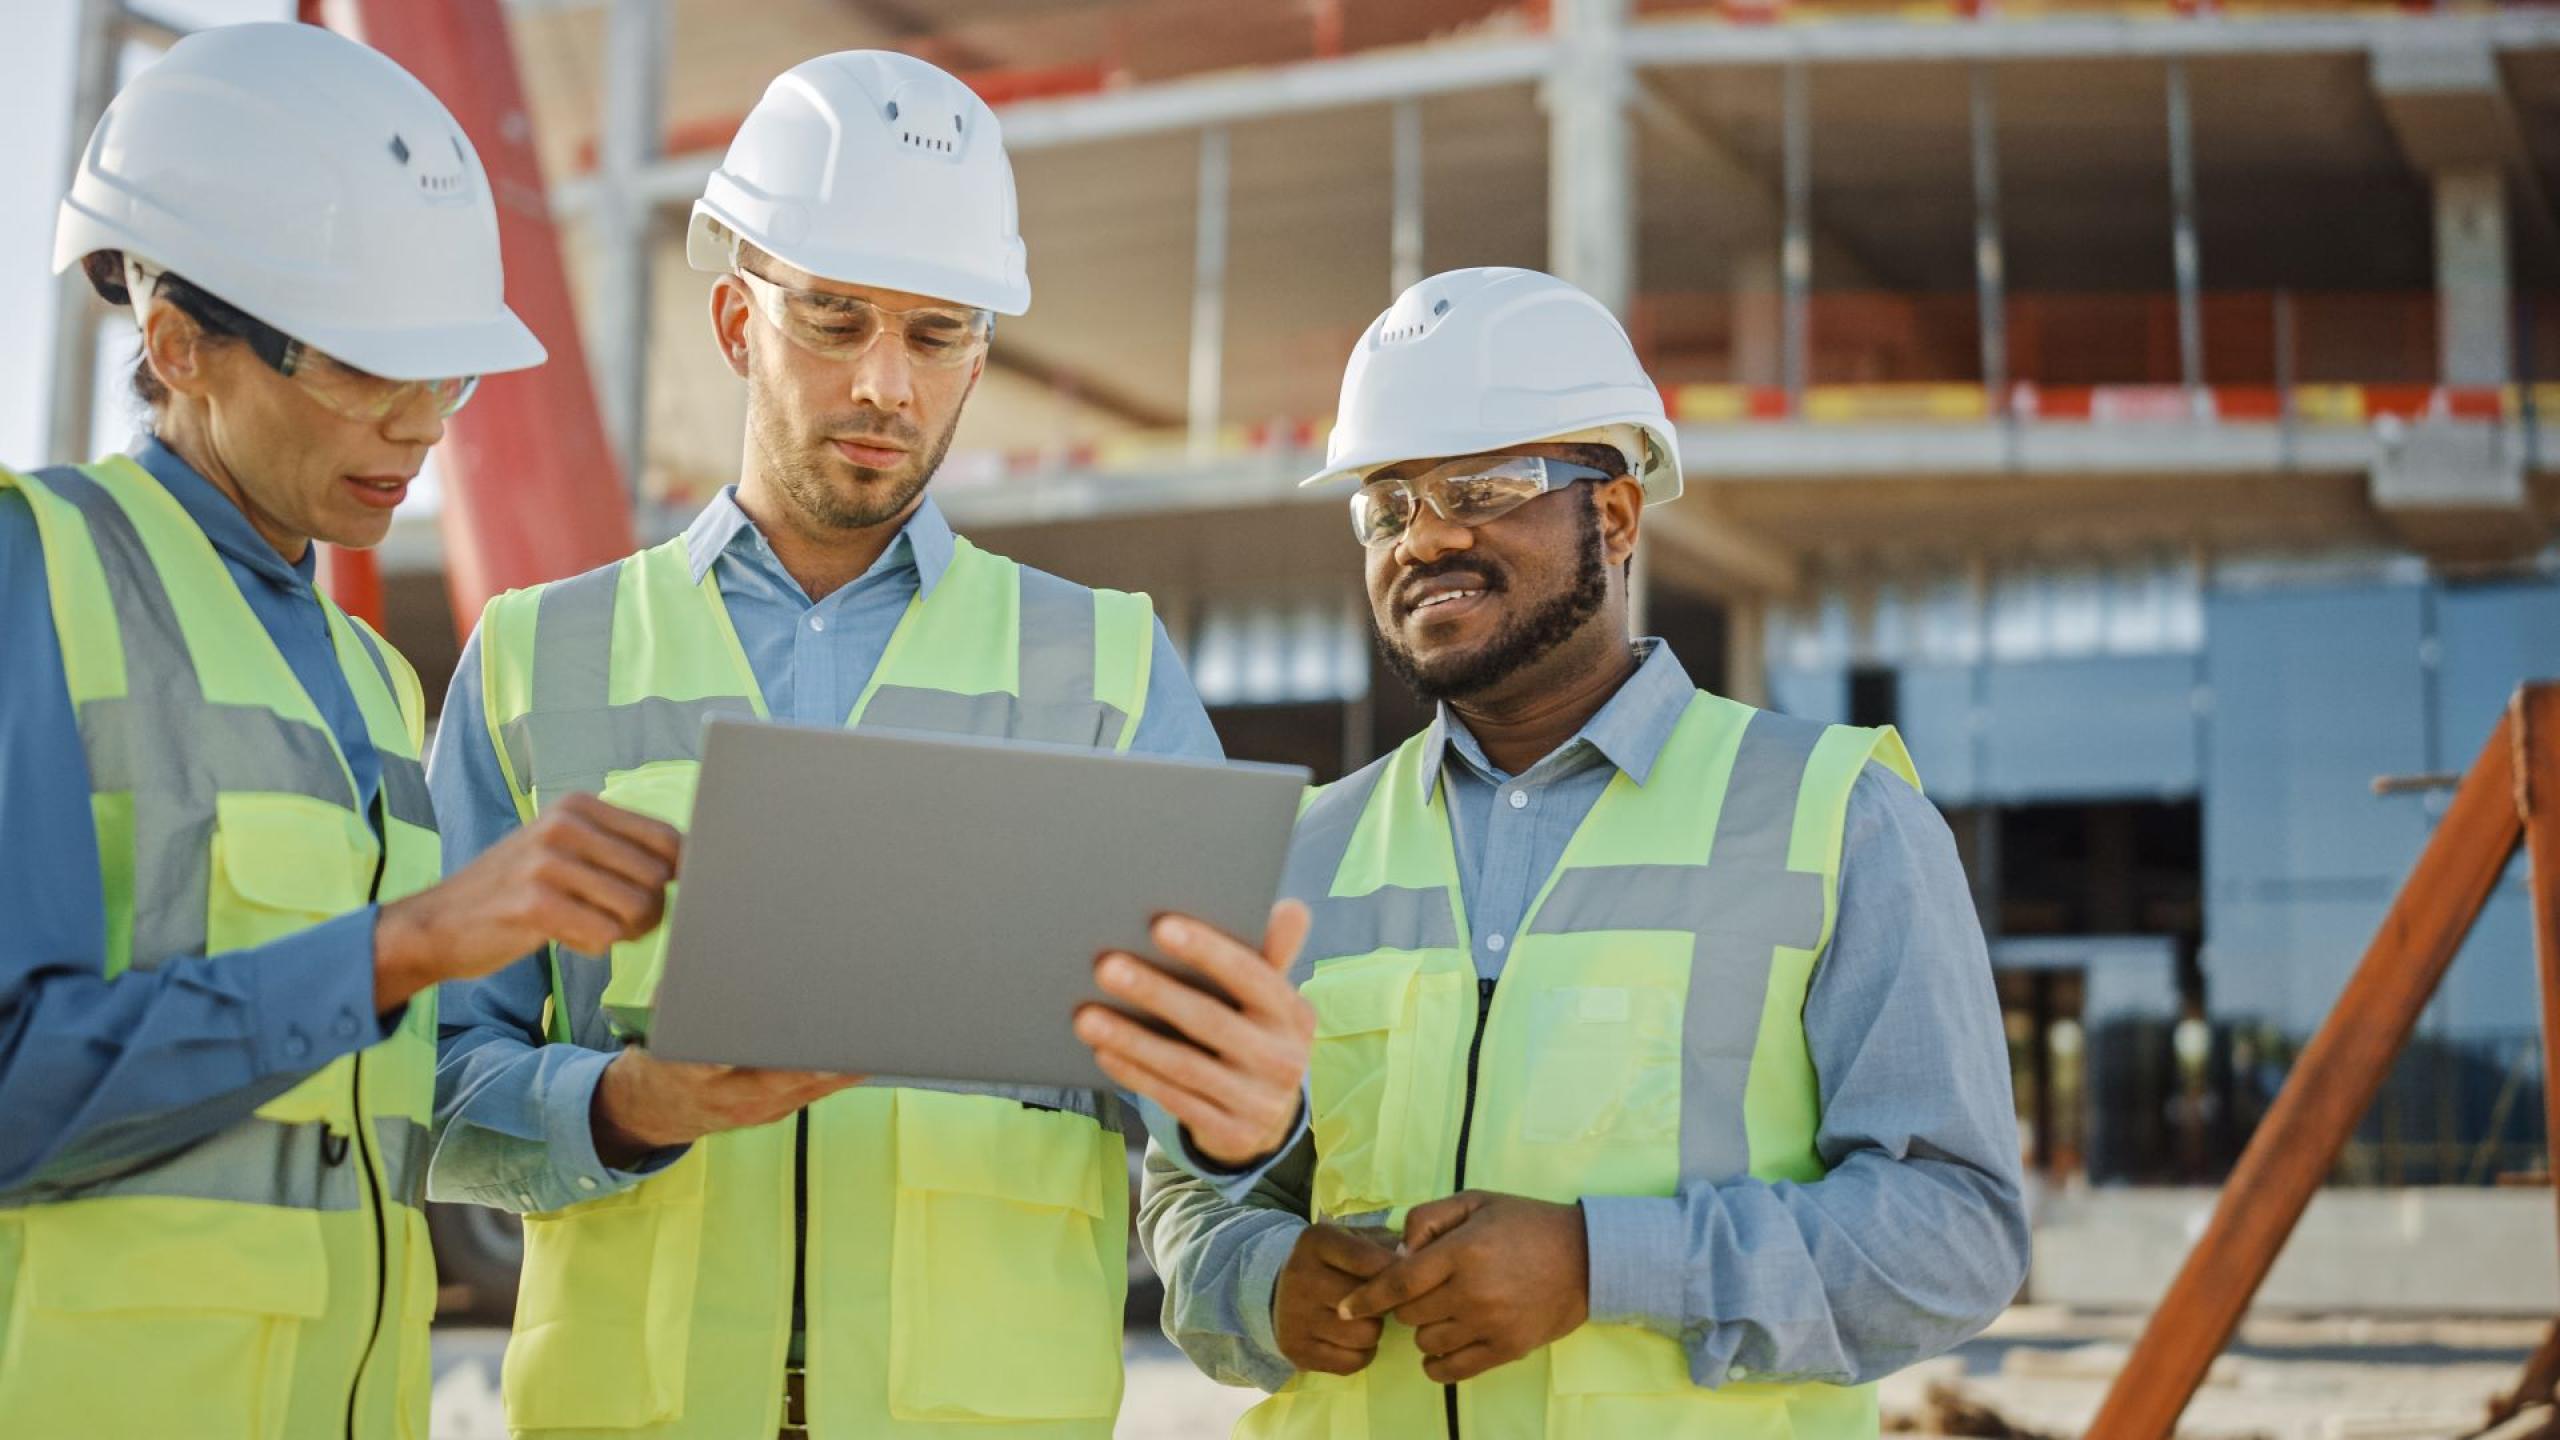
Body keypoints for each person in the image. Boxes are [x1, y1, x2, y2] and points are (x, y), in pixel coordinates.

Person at [426, 50, 1314, 1438]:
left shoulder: (1109, 671)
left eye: (936, 334)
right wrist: (627, 1104)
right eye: (835, 323)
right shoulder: (541, 661)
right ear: (735, 320)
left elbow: (1208, 1120)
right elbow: (423, 1083)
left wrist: (1252, 1108)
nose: (887, 386)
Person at [1139, 267, 2031, 1438]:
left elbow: (1954, 1236)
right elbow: (1191, 1190)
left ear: (1612, 517)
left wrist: (1601, 1263)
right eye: (1389, 503)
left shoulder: (1837, 817)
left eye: (1483, 486)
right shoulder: (1300, 855)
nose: (1428, 537)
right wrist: (1263, 1281)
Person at [0, 23, 683, 1438]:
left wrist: (637, 1098)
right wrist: (410, 946)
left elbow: (373, 1114)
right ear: (178, 343)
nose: (424, 424)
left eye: (447, 374)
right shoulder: (38, 577)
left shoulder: (376, 680)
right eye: (371, 369)